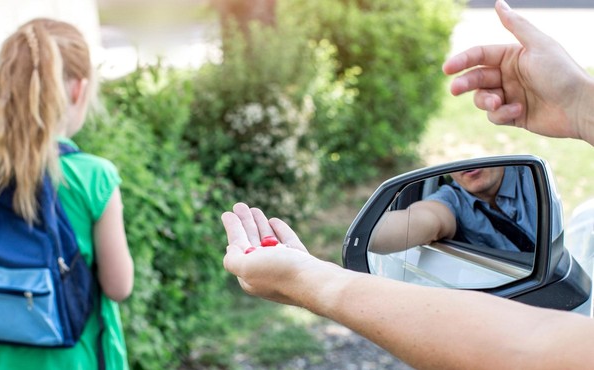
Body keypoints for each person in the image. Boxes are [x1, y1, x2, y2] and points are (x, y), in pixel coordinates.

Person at [221, 1, 594, 368]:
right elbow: (417, 222)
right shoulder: (450, 202)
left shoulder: (530, 180)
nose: (466, 174)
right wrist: (579, 103)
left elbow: (529, 348)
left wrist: (306, 279)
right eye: (456, 172)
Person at [0, 18, 134, 369]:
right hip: (76, 355)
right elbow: (118, 286)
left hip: (1, 353)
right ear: (77, 90)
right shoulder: (94, 176)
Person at [369, 165, 537, 254]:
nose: (467, 163)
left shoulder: (531, 175)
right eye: (455, 157)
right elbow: (421, 219)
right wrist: (365, 232)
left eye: (473, 144)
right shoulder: (449, 199)